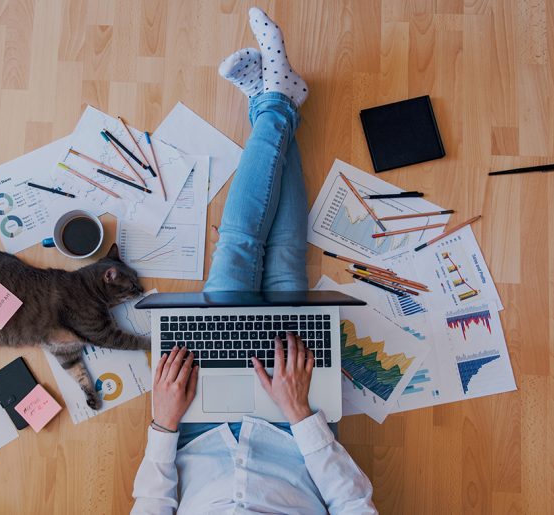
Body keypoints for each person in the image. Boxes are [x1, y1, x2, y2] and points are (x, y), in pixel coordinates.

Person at [131, 8, 377, 514]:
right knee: (284, 260)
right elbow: (353, 504)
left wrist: (162, 425)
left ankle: (277, 101)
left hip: (197, 427)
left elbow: (152, 504)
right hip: (294, 431)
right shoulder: (298, 420)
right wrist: (301, 415)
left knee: (241, 250)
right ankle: (276, 102)